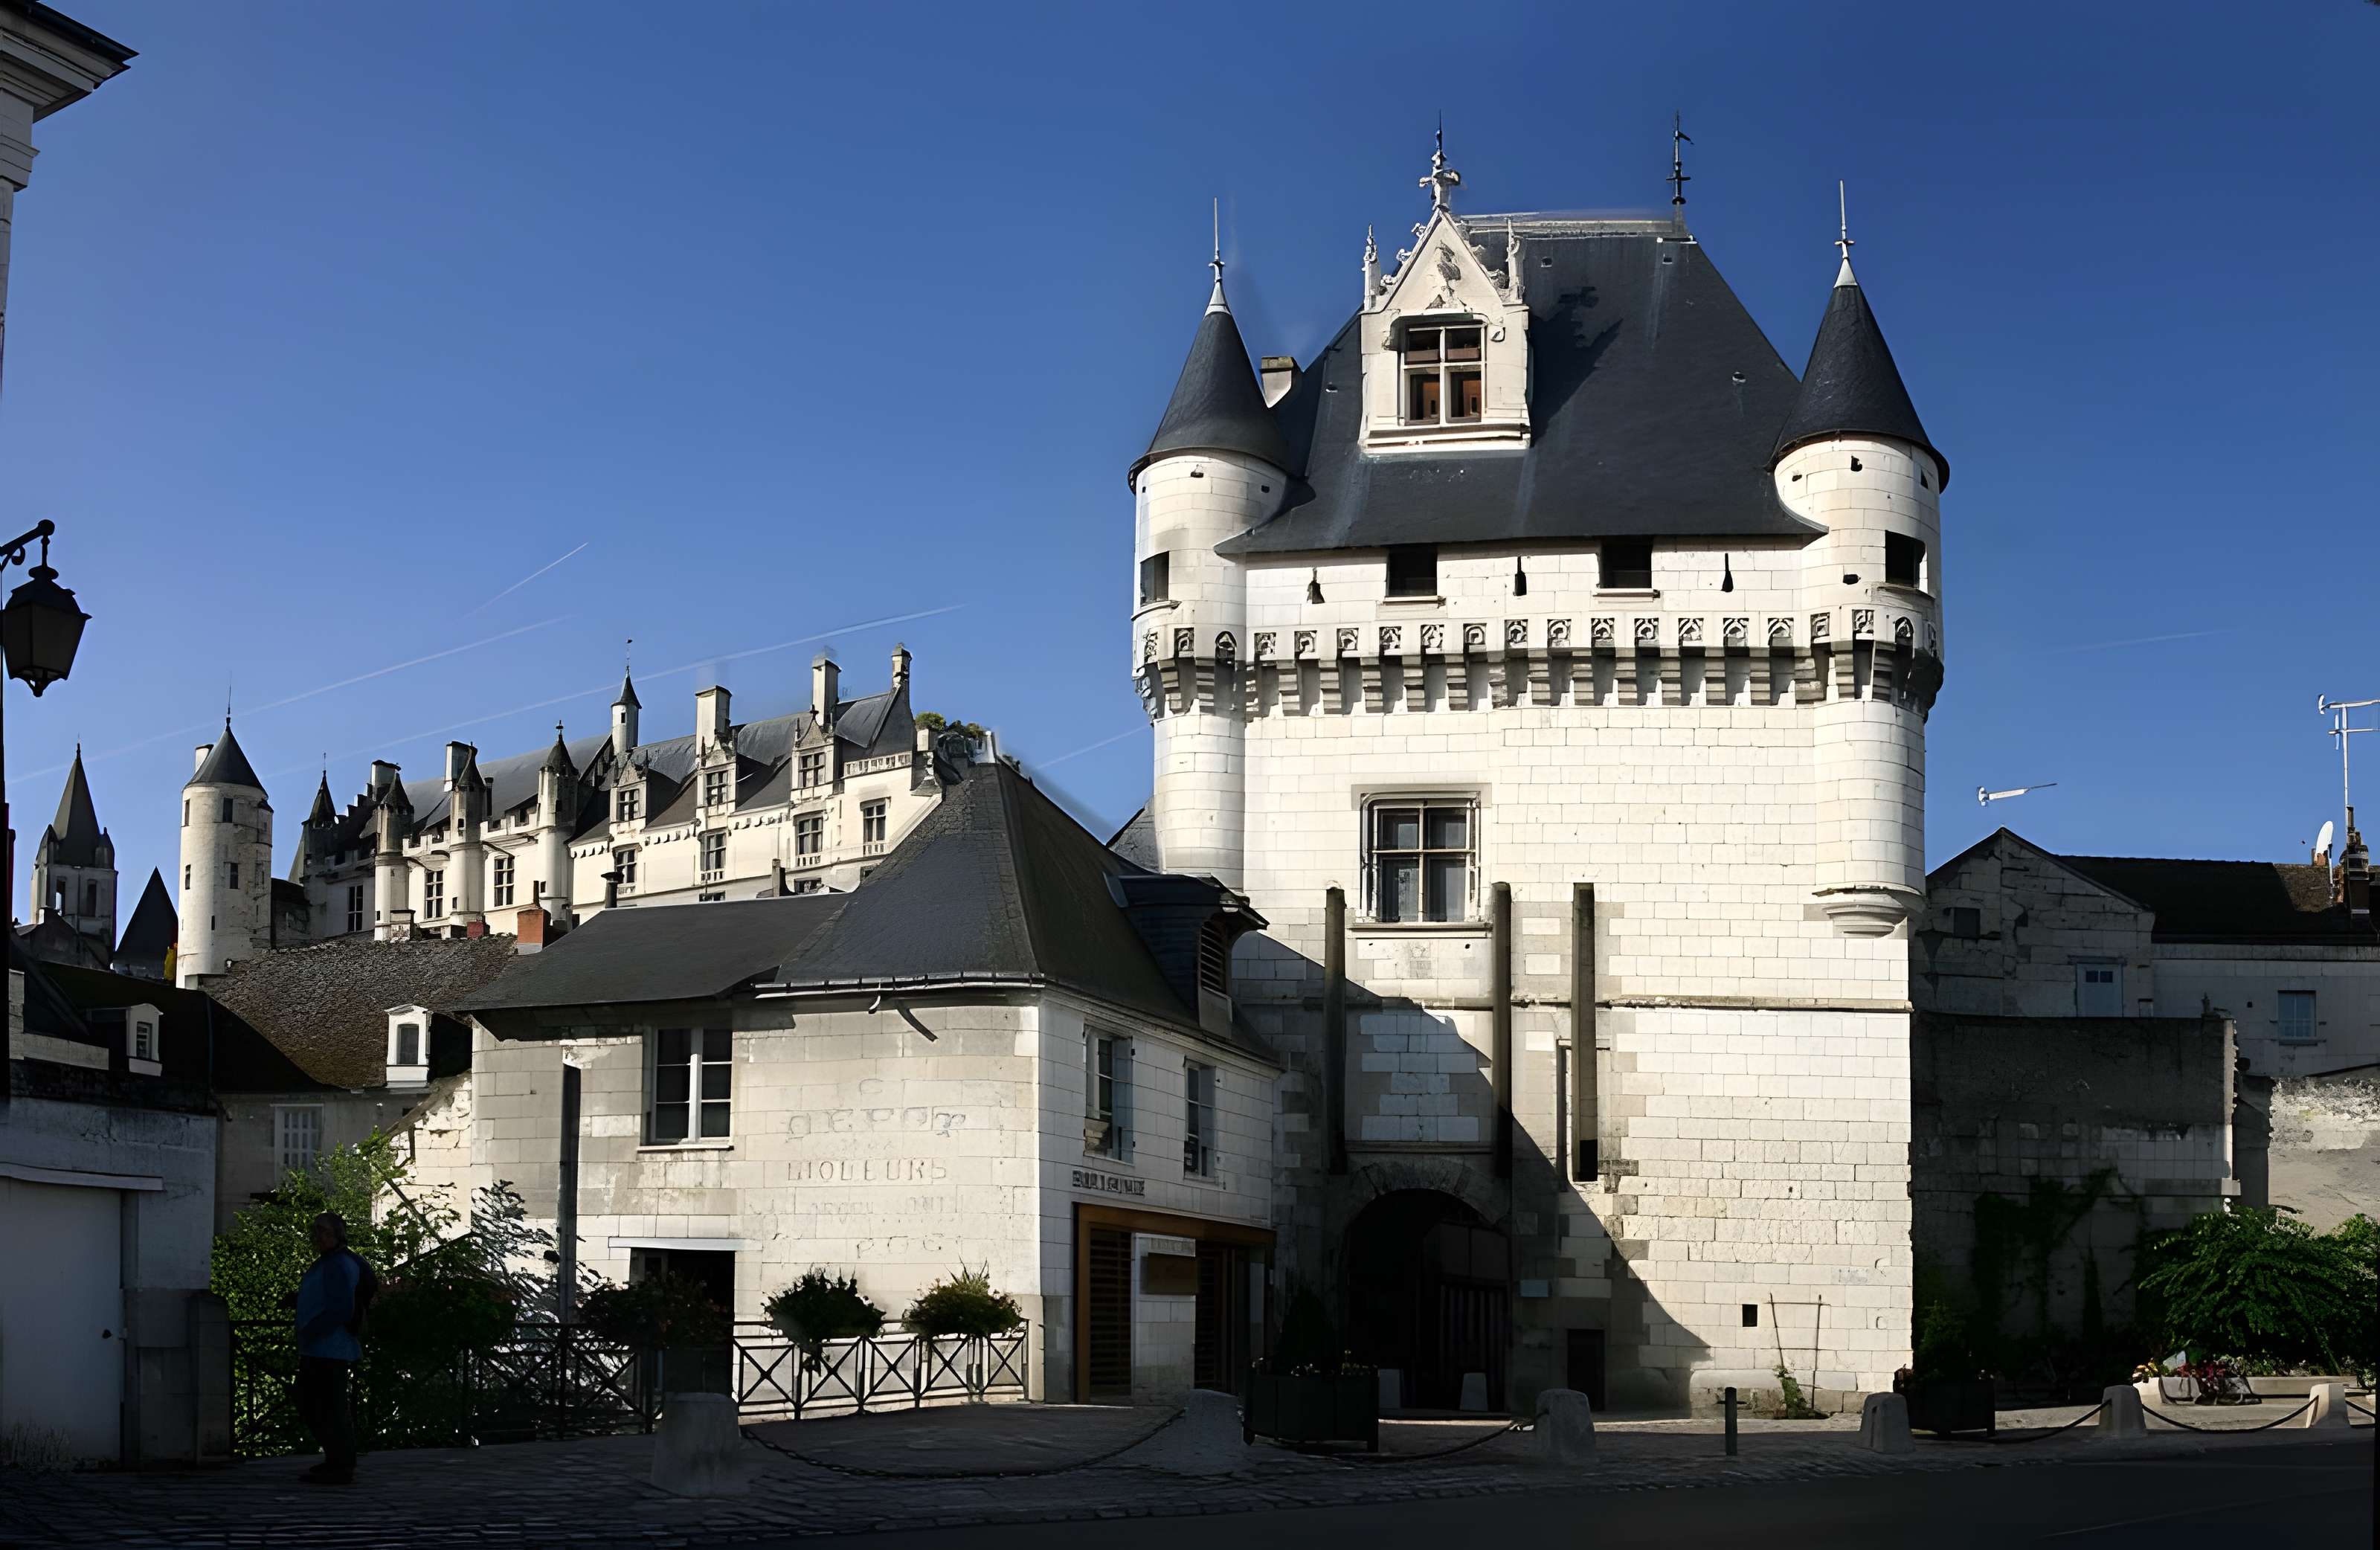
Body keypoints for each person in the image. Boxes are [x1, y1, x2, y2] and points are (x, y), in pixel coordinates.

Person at [292, 1211, 365, 1484]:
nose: (318, 1236)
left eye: (323, 1231)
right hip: (323, 1347)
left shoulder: (337, 1264)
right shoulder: (331, 1262)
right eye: (317, 1230)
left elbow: (340, 1308)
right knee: (322, 1404)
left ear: (337, 1234)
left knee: (321, 1405)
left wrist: (312, 1329)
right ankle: (338, 1461)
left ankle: (340, 1463)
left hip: (328, 1347)